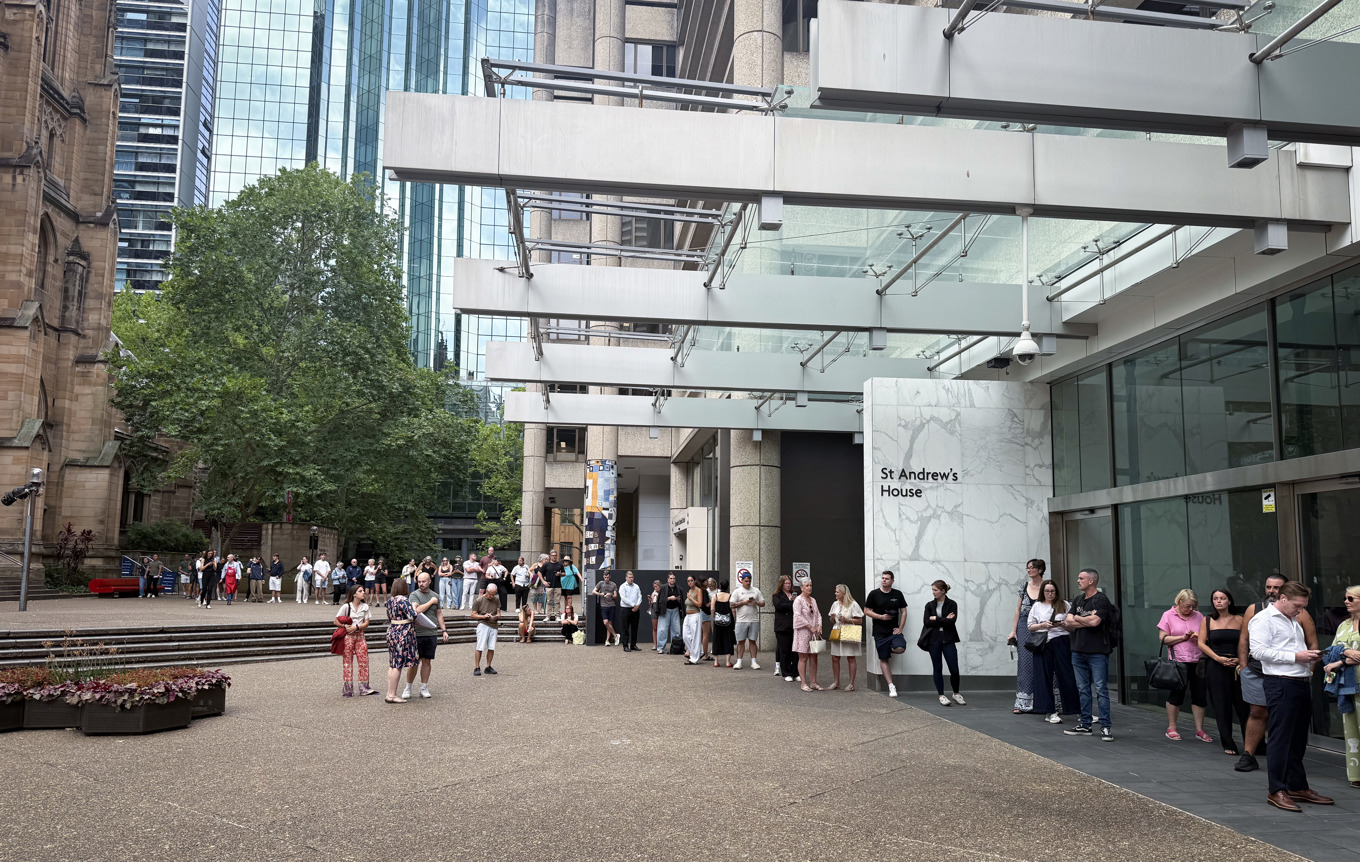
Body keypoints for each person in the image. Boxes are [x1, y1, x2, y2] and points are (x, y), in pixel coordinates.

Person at [1250, 581, 1330, 811]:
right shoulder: (1263, 619)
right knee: (1281, 737)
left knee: (1297, 738)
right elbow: (1258, 651)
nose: (1301, 610)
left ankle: (1296, 786)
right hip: (1281, 683)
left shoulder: (1291, 619)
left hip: (1299, 681)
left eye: (1303, 606)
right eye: (1298, 605)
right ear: (1282, 598)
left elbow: (1287, 650)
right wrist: (1297, 656)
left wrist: (1309, 657)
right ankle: (1276, 789)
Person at [1236, 573, 1317, 773]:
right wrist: (1244, 667)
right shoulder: (1257, 613)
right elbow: (1246, 642)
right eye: (1269, 587)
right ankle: (1249, 756)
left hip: (1296, 679)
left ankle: (1296, 784)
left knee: (1294, 732)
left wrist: (1310, 669)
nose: (1272, 591)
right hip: (1261, 673)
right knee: (1258, 713)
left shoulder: (1297, 614)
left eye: (1276, 587)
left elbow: (1309, 642)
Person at [1060, 568, 1115, 742]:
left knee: (1101, 690)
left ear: (1091, 581)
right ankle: (1085, 724)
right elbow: (1068, 622)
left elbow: (1096, 622)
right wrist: (1085, 620)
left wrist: (1078, 619)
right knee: (1083, 690)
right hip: (1078, 651)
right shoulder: (1077, 600)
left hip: (1097, 653)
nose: (1078, 580)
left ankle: (1105, 727)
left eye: (1081, 578)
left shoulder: (1101, 600)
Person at [1198, 588, 1249, 755]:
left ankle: (1251, 743)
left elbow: (1248, 641)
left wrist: (1240, 660)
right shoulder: (1208, 621)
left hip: (1237, 666)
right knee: (1221, 705)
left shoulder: (1240, 620)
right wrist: (1217, 658)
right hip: (1216, 666)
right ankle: (1228, 743)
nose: (1218, 601)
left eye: (1222, 598)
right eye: (1215, 598)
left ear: (1229, 601)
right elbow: (1201, 643)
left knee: (1244, 706)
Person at [1158, 588, 1210, 743]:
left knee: (1199, 695)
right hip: (1178, 661)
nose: (1191, 609)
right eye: (1187, 606)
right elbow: (1163, 639)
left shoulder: (1199, 616)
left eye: (1193, 606)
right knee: (1177, 694)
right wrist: (1183, 637)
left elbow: (1205, 638)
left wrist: (1198, 638)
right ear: (1179, 602)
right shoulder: (1168, 615)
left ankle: (1200, 729)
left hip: (1197, 660)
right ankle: (1172, 727)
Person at [1321, 585, 1360, 788]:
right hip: (1349, 684)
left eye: (1351, 599)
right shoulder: (1344, 624)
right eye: (1345, 598)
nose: (1346, 602)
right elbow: (1331, 650)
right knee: (1351, 728)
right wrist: (1346, 655)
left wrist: (1342, 659)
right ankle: (1356, 774)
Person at [1027, 579, 1080, 725]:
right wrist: (1043, 625)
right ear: (1042, 592)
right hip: (1043, 643)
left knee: (1067, 676)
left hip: (1062, 641)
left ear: (1056, 592)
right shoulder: (1037, 606)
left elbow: (1072, 627)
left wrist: (1063, 625)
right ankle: (1049, 711)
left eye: (1052, 591)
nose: (1050, 594)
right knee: (1044, 677)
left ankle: (1076, 710)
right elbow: (1030, 626)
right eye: (1047, 591)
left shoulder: (1064, 604)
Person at [1009, 559, 1046, 714]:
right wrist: (1013, 631)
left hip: (1043, 625)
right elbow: (1018, 610)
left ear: (1040, 569)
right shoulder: (1024, 586)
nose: (1029, 570)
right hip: (1024, 625)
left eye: (1032, 567)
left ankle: (1047, 701)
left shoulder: (1047, 586)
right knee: (1024, 663)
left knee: (1045, 662)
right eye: (1028, 567)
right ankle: (1023, 703)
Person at [863, 570, 908, 698]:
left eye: (887, 578)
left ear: (892, 581)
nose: (884, 580)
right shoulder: (874, 594)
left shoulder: (897, 594)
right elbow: (866, 611)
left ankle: (887, 649)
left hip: (894, 631)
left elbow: (904, 611)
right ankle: (891, 686)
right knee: (884, 658)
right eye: (882, 578)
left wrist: (900, 628)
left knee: (900, 648)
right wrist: (880, 617)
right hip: (879, 632)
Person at [405, 570, 449, 698]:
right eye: (419, 581)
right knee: (414, 662)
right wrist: (431, 602)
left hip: (431, 633)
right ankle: (408, 687)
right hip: (417, 633)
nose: (421, 584)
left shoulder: (435, 595)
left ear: (430, 581)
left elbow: (439, 614)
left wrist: (444, 630)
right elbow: (416, 611)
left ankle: (423, 687)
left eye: (424, 581)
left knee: (427, 661)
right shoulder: (414, 594)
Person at [923, 579, 965, 706]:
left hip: (948, 639)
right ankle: (941, 695)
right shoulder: (929, 605)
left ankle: (956, 694)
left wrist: (935, 618)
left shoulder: (952, 604)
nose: (933, 592)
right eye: (932, 590)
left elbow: (951, 622)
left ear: (943, 591)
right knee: (937, 668)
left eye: (935, 590)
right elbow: (926, 622)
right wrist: (943, 619)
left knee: (954, 669)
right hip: (934, 639)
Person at [336, 585, 378, 697]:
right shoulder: (346, 606)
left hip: (360, 635)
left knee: (364, 661)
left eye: (363, 590)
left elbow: (367, 622)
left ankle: (364, 687)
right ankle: (348, 689)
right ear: (354, 594)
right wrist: (345, 626)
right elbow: (336, 620)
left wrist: (357, 627)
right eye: (360, 591)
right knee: (347, 662)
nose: (363, 592)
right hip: (348, 637)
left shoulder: (365, 606)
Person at [384, 578, 418, 703]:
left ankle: (389, 692)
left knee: (393, 663)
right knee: (398, 665)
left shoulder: (390, 601)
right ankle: (392, 695)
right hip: (403, 632)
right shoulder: (404, 601)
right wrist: (414, 606)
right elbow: (413, 616)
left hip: (392, 630)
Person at [827, 583, 863, 691]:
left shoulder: (853, 604)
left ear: (843, 593)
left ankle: (851, 683)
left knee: (851, 657)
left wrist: (847, 620)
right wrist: (833, 618)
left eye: (837, 592)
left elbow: (860, 620)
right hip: (837, 631)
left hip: (849, 631)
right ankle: (836, 682)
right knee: (835, 657)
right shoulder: (835, 604)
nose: (835, 593)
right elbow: (831, 620)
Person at [730, 571, 765, 670]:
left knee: (752, 641)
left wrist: (756, 602)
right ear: (742, 581)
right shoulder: (737, 591)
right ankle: (739, 661)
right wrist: (744, 602)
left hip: (753, 619)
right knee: (741, 641)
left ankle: (754, 661)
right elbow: (731, 604)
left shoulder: (756, 590)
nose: (748, 583)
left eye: (749, 581)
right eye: (746, 581)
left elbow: (763, 603)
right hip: (741, 620)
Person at [793, 578, 823, 692]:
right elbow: (798, 616)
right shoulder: (798, 601)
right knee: (803, 657)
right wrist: (810, 626)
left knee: (814, 657)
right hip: (803, 631)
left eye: (810, 585)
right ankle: (803, 683)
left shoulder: (813, 600)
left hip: (814, 631)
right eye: (807, 586)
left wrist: (819, 625)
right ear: (801, 588)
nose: (809, 588)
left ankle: (814, 682)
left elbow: (818, 614)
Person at [471, 583, 501, 676]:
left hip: (494, 624)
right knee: (480, 647)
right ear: (486, 591)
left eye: (494, 594)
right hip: (483, 624)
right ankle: (477, 667)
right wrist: (483, 616)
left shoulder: (496, 599)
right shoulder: (479, 600)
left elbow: (499, 612)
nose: (492, 596)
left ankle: (488, 666)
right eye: (491, 594)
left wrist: (496, 617)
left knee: (491, 647)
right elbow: (473, 614)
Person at [772, 576, 797, 681]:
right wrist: (791, 602)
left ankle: (795, 672)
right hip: (782, 626)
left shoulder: (795, 595)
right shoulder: (777, 595)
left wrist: (793, 601)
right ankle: (786, 672)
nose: (788, 585)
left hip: (794, 625)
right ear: (782, 584)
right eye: (786, 583)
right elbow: (779, 606)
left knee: (795, 651)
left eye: (789, 583)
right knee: (784, 650)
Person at [655, 572, 683, 655]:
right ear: (668, 579)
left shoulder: (678, 589)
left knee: (676, 630)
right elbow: (660, 600)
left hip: (675, 610)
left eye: (674, 578)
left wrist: (677, 599)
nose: (672, 580)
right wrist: (670, 598)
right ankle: (660, 648)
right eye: (671, 578)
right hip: (665, 610)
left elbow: (681, 601)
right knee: (662, 629)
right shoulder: (663, 588)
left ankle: (675, 647)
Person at [710, 579, 735, 668]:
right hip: (728, 622)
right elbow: (733, 610)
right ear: (727, 587)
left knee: (716, 639)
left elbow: (712, 609)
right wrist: (734, 619)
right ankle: (728, 662)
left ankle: (716, 661)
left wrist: (713, 617)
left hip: (717, 621)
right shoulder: (730, 596)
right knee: (728, 639)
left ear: (720, 586)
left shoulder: (715, 596)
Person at [682, 575, 705, 666]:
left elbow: (699, 604)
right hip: (688, 616)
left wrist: (690, 598)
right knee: (685, 636)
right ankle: (697, 652)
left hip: (695, 615)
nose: (690, 582)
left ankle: (694, 658)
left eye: (691, 580)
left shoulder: (698, 591)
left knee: (695, 637)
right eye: (688, 581)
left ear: (694, 581)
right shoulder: (689, 591)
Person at [593, 570, 619, 646]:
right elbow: (593, 591)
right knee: (606, 622)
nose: (606, 579)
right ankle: (615, 635)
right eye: (605, 577)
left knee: (610, 623)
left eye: (607, 577)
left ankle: (607, 640)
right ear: (603, 577)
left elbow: (615, 596)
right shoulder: (601, 583)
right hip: (604, 605)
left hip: (611, 605)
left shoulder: (613, 584)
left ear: (609, 577)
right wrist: (600, 594)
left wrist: (610, 595)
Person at [619, 571, 642, 652]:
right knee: (625, 628)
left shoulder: (636, 586)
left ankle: (633, 644)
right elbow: (624, 598)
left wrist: (637, 605)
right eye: (629, 577)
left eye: (632, 577)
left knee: (634, 628)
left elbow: (640, 596)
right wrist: (633, 605)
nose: (631, 579)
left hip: (635, 609)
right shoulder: (622, 586)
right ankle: (625, 645)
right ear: (626, 578)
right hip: (626, 609)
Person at [648, 579, 662, 647]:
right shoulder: (653, 593)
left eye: (656, 586)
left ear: (659, 586)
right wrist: (650, 600)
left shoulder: (662, 593)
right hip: (654, 609)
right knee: (654, 627)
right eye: (654, 587)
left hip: (660, 610)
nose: (655, 588)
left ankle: (660, 644)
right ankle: (655, 644)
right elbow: (650, 605)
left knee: (661, 628)